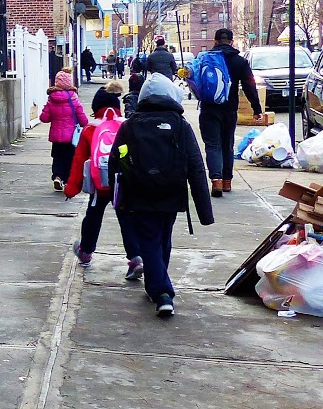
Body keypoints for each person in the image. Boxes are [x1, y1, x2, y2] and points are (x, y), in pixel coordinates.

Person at [109, 73, 215, 318]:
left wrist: (117, 198)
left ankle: (161, 292)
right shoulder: (180, 124)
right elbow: (196, 166)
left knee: (149, 242)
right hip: (171, 193)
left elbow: (115, 162)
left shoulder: (130, 125)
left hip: (139, 193)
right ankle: (158, 287)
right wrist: (204, 212)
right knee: (162, 239)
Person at [66, 80, 136, 276]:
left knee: (93, 217)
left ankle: (86, 251)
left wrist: (72, 187)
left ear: (96, 107)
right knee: (126, 219)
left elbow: (79, 161)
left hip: (100, 184)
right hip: (122, 183)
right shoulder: (127, 126)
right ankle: (135, 257)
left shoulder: (90, 129)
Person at [196, 28, 264, 198]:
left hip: (209, 108)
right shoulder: (239, 61)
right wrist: (256, 109)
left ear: (215, 41)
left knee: (212, 145)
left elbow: (194, 81)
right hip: (229, 109)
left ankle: (216, 181)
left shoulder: (205, 59)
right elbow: (249, 85)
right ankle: (227, 182)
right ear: (231, 42)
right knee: (227, 144)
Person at [40, 69, 89, 192]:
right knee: (69, 158)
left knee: (57, 157)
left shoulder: (51, 99)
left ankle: (57, 176)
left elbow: (44, 118)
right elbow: (83, 120)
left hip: (56, 137)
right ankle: (67, 180)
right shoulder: (74, 99)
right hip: (71, 137)